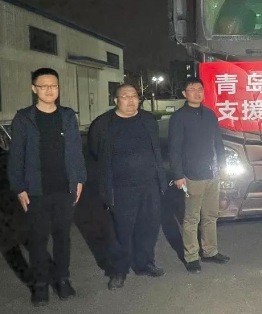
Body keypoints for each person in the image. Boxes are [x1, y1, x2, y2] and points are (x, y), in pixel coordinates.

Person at [8, 68, 87, 306]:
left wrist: (79, 180)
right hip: (36, 190)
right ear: (34, 89)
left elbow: (76, 151)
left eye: (54, 85)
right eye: (44, 86)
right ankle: (40, 285)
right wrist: (19, 188)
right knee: (38, 240)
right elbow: (16, 155)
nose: (50, 90)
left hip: (64, 188)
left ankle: (62, 279)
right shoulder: (24, 118)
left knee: (63, 238)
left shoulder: (67, 116)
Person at [88, 84, 167, 290]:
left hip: (149, 185)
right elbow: (95, 151)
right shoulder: (103, 124)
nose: (131, 101)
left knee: (148, 227)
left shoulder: (148, 120)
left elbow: (155, 148)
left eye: (134, 96)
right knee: (120, 231)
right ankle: (119, 271)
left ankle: (144, 263)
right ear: (115, 100)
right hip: (120, 188)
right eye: (125, 96)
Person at [169, 77, 229, 274]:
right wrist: (178, 175)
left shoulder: (210, 115)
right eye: (192, 89)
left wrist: (222, 166)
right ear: (184, 94)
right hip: (191, 176)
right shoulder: (179, 117)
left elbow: (218, 143)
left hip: (212, 174)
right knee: (191, 218)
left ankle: (210, 251)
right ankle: (192, 257)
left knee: (211, 216)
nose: (197, 92)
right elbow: (174, 148)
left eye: (200, 89)